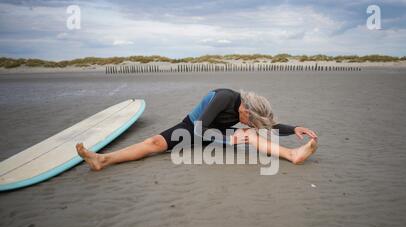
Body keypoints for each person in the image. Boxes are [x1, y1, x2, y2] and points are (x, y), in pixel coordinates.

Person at [76, 88, 318, 171]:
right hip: (192, 129)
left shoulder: (249, 113)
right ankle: (103, 159)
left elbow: (268, 125)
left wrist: (294, 128)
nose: (248, 123)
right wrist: (228, 140)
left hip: (213, 135)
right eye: (249, 120)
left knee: (251, 135)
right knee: (153, 144)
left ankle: (293, 155)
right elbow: (201, 130)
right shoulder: (224, 98)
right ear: (244, 108)